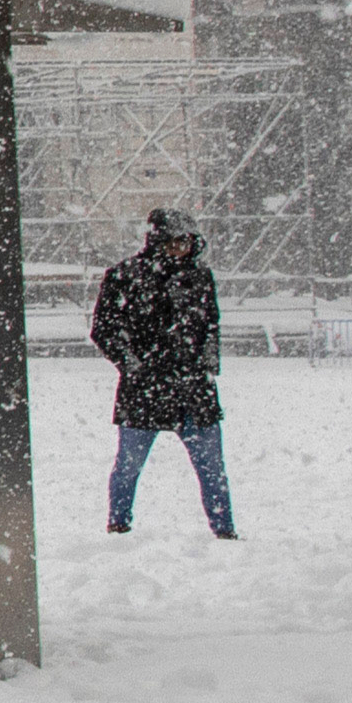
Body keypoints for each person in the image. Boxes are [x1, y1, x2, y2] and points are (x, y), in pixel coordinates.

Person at [86, 207, 234, 538]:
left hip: (193, 390)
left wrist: (208, 367)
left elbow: (211, 325)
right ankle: (118, 526)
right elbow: (103, 329)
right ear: (157, 241)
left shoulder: (200, 277)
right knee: (128, 467)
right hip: (145, 391)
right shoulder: (124, 276)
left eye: (186, 241)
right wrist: (132, 364)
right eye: (174, 242)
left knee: (212, 470)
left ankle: (225, 533)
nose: (181, 248)